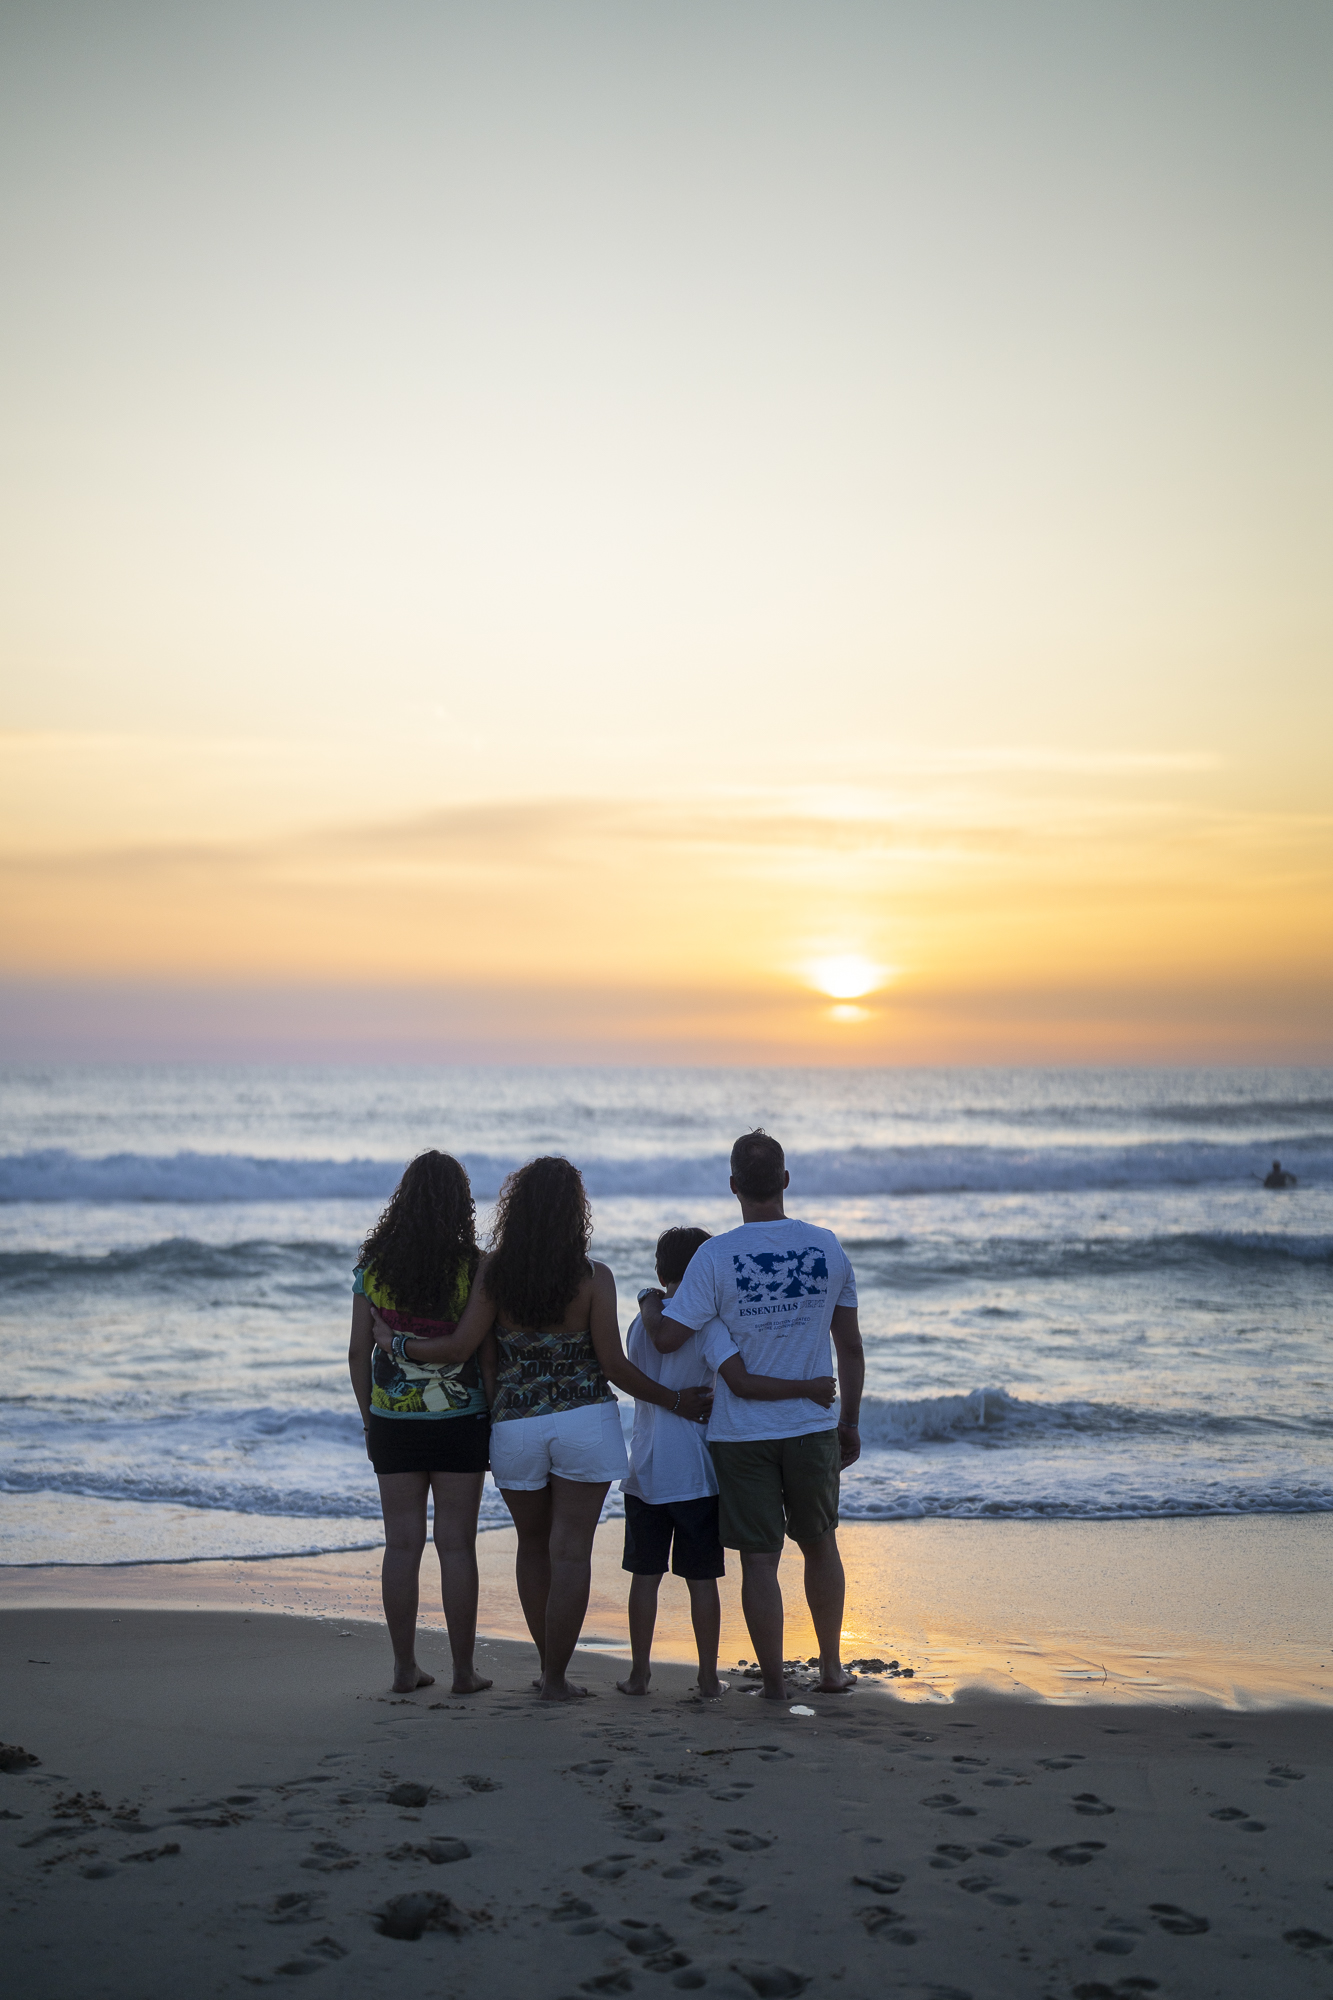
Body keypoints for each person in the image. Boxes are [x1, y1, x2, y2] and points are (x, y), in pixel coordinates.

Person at [372, 1156, 711, 1702]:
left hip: (516, 1427)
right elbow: (616, 1367)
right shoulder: (594, 1277)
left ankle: (546, 1665)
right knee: (570, 1551)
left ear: (516, 1209)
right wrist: (675, 1399)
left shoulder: (494, 1274)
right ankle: (555, 1678)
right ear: (576, 1213)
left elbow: (472, 1353)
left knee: (532, 1546)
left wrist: (403, 1349)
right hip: (585, 1424)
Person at [640, 1129, 864, 1702]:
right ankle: (831, 1669)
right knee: (821, 1547)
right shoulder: (826, 1246)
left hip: (741, 1435)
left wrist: (649, 1300)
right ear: (785, 1181)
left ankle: (772, 1684)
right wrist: (850, 1422)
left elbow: (666, 1341)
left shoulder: (714, 1256)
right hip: (813, 1427)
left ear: (734, 1185)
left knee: (759, 1562)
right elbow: (851, 1348)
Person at [347, 1150, 492, 1697]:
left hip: (393, 1420)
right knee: (457, 1546)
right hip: (460, 1419)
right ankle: (463, 1672)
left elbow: (359, 1352)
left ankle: (405, 1669)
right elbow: (484, 1349)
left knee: (401, 1546)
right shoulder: (477, 1267)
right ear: (461, 1203)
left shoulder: (375, 1267)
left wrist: (369, 1419)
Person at [617, 1226, 726, 1701]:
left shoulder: (641, 1324)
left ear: (661, 1272)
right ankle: (705, 1678)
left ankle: (640, 1674)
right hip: (696, 1471)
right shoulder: (706, 1324)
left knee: (645, 1577)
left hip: (644, 1468)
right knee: (701, 1579)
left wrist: (648, 1298)